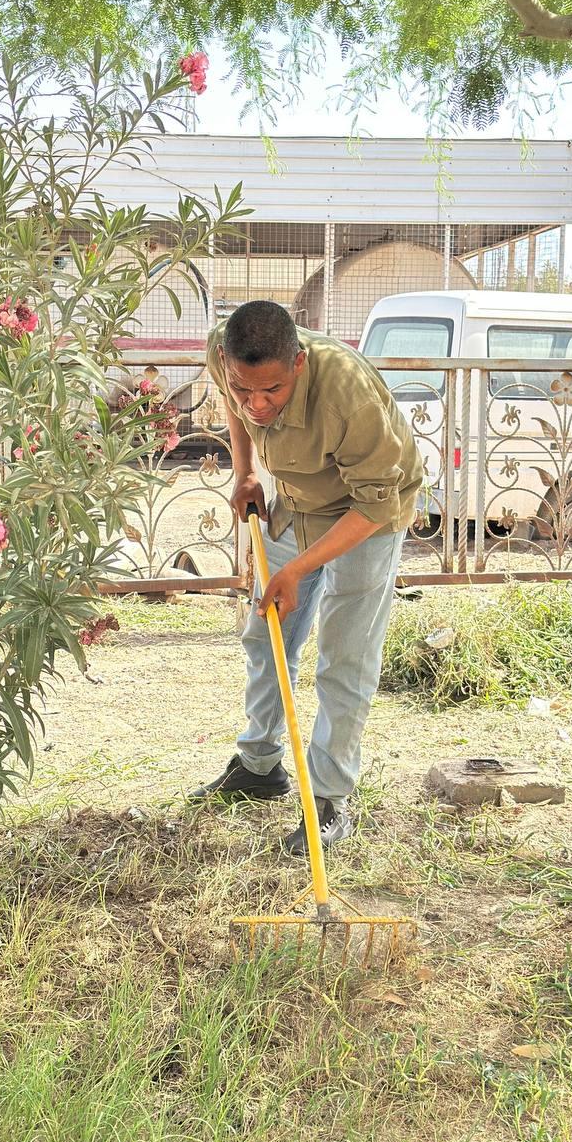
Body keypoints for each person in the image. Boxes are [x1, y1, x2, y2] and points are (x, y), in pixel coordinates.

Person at [191, 300, 424, 855]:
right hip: (296, 502)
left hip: (366, 516)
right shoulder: (224, 351)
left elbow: (374, 505)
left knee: (344, 657)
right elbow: (235, 403)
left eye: (271, 390)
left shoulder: (348, 393)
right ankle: (259, 765)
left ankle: (328, 798)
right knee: (265, 632)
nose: (256, 404)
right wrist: (246, 471)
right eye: (243, 388)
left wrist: (298, 568)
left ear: (298, 363)